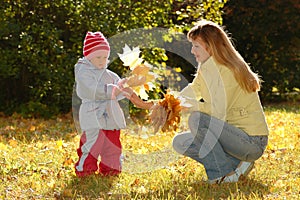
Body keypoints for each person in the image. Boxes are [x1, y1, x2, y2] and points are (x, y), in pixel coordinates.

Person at [123, 20, 269, 184]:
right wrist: (147, 104)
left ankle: (220, 174)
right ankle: (235, 166)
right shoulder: (207, 68)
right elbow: (182, 98)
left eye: (196, 46)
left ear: (211, 46)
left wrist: (187, 107)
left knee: (197, 119)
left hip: (251, 142)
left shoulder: (227, 70)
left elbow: (217, 110)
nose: (192, 51)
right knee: (181, 142)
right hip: (233, 138)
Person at [74, 31, 126, 177]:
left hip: (111, 115)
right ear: (88, 56)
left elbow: (118, 90)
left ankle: (111, 169)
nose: (102, 60)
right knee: (93, 143)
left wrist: (124, 87)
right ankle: (86, 169)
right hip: (93, 114)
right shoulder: (83, 72)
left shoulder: (109, 74)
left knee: (112, 144)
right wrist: (112, 90)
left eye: (105, 57)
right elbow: (92, 90)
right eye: (98, 57)